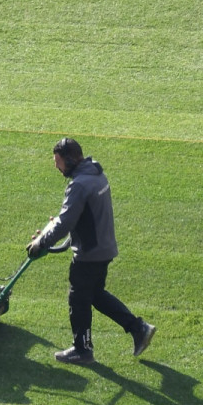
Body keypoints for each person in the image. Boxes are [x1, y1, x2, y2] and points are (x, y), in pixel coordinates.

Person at [26, 138, 156, 364]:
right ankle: (139, 328)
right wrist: (54, 232)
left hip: (89, 254)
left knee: (78, 299)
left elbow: (65, 223)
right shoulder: (96, 174)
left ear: (69, 160)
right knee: (95, 294)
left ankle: (82, 350)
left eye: (58, 162)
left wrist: (41, 242)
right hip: (104, 248)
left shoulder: (79, 185)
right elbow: (84, 216)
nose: (56, 167)